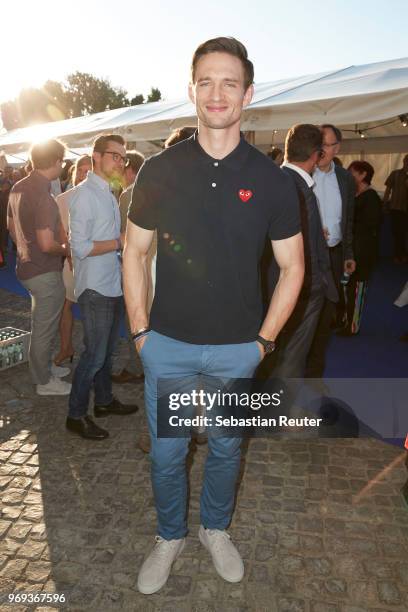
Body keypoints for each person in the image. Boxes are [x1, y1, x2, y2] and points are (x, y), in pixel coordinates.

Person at [123, 36, 304, 594]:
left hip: (236, 350)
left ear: (247, 94)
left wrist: (263, 343)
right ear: (192, 90)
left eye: (229, 82)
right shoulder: (159, 169)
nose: (217, 92)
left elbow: (293, 267)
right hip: (169, 344)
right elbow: (134, 250)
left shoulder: (274, 179)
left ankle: (216, 529)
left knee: (227, 448)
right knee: (168, 454)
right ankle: (170, 535)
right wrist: (140, 334)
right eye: (206, 81)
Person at [66, 134, 139, 441]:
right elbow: (79, 246)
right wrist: (120, 241)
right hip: (94, 286)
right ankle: (76, 414)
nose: (120, 162)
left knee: (108, 352)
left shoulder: (109, 192)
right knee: (94, 355)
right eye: (114, 156)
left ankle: (105, 402)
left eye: (123, 158)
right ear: (95, 156)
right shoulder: (84, 195)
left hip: (111, 281)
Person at [269, 124, 338, 377]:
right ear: (316, 155)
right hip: (302, 288)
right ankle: (280, 413)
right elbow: (302, 251)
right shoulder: (299, 189)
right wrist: (318, 286)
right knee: (293, 356)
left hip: (275, 284)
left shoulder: (272, 179)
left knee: (279, 353)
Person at [7, 140, 71, 395]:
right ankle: (43, 381)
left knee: (40, 324)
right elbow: (47, 244)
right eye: (62, 161)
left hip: (25, 266)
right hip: (43, 271)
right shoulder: (43, 196)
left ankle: (42, 368)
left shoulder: (18, 186)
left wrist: (25, 250)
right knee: (44, 328)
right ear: (56, 162)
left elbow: (10, 227)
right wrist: (67, 249)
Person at [305, 124, 355, 377]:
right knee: (302, 318)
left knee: (325, 318)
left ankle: (314, 375)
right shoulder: (302, 174)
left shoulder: (345, 178)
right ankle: (289, 375)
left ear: (337, 147)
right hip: (305, 258)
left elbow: (348, 220)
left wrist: (348, 254)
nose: (322, 150)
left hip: (333, 257)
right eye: (319, 144)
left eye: (327, 144)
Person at [54, 155, 92, 365]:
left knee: (91, 310)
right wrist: (68, 252)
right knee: (65, 306)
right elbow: (61, 233)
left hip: (95, 262)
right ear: (74, 172)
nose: (83, 175)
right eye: (80, 170)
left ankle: (92, 353)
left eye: (88, 171)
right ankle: (66, 347)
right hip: (72, 263)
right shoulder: (63, 199)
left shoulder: (105, 196)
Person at [337, 161, 382, 336]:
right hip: (353, 249)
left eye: (352, 172)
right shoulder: (356, 195)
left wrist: (350, 224)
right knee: (348, 287)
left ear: (363, 175)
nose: (349, 175)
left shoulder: (370, 197)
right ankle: (345, 320)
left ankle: (352, 325)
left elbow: (372, 224)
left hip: (363, 251)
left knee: (357, 289)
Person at [383, 154, 408, 263]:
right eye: (407, 161)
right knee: (397, 233)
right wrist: (384, 204)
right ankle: (397, 255)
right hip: (396, 208)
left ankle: (402, 255)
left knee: (403, 233)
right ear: (404, 161)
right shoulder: (395, 174)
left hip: (406, 210)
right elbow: (388, 189)